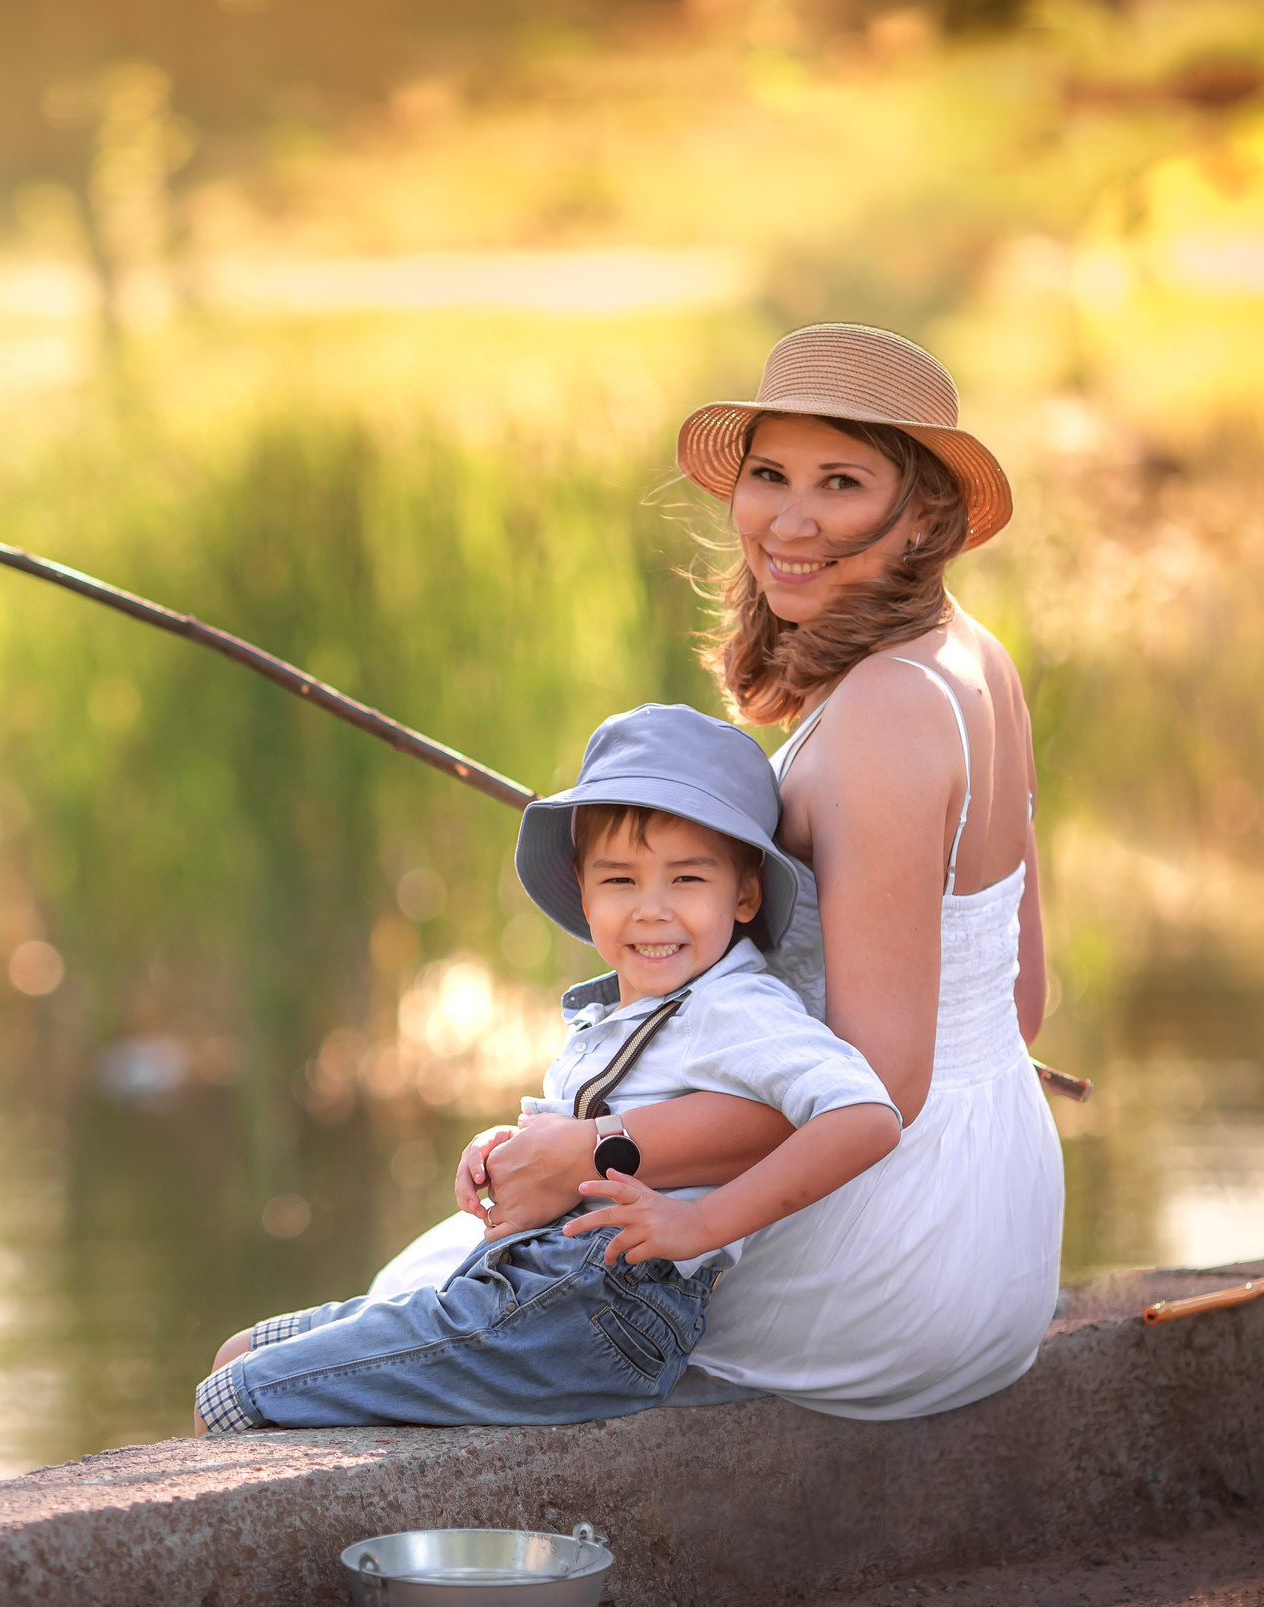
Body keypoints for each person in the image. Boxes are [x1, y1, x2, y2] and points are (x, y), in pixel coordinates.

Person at [417, 321, 1065, 1422]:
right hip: (998, 1225)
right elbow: (1022, 1004)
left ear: (923, 516)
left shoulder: (884, 715)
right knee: (440, 1275)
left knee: (343, 1334)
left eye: (841, 483)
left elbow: (879, 1090)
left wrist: (594, 1149)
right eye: (769, 475)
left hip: (893, 1255)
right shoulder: (972, 660)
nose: (789, 520)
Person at [194, 704, 899, 1434]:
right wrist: (504, 1147)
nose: (651, 911)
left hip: (602, 1307)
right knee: (238, 1351)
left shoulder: (739, 1007)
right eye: (621, 880)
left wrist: (701, 1221)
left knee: (237, 1399)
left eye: (687, 879)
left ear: (744, 893)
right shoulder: (624, 1013)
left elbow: (867, 1115)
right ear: (584, 891)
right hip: (543, 1283)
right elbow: (580, 1141)